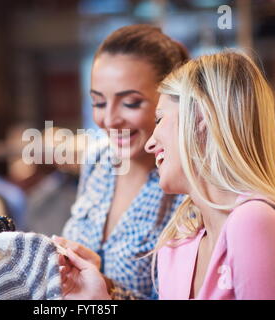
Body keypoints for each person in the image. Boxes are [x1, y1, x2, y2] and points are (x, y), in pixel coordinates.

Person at [58, 51, 275, 300]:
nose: (151, 143)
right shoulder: (177, 244)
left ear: (201, 118)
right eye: (98, 102)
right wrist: (101, 298)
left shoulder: (253, 221)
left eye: (160, 119)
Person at [52, 24, 189, 299]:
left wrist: (107, 290)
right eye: (99, 103)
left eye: (130, 103)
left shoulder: (187, 188)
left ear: (172, 102)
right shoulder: (98, 159)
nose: (110, 120)